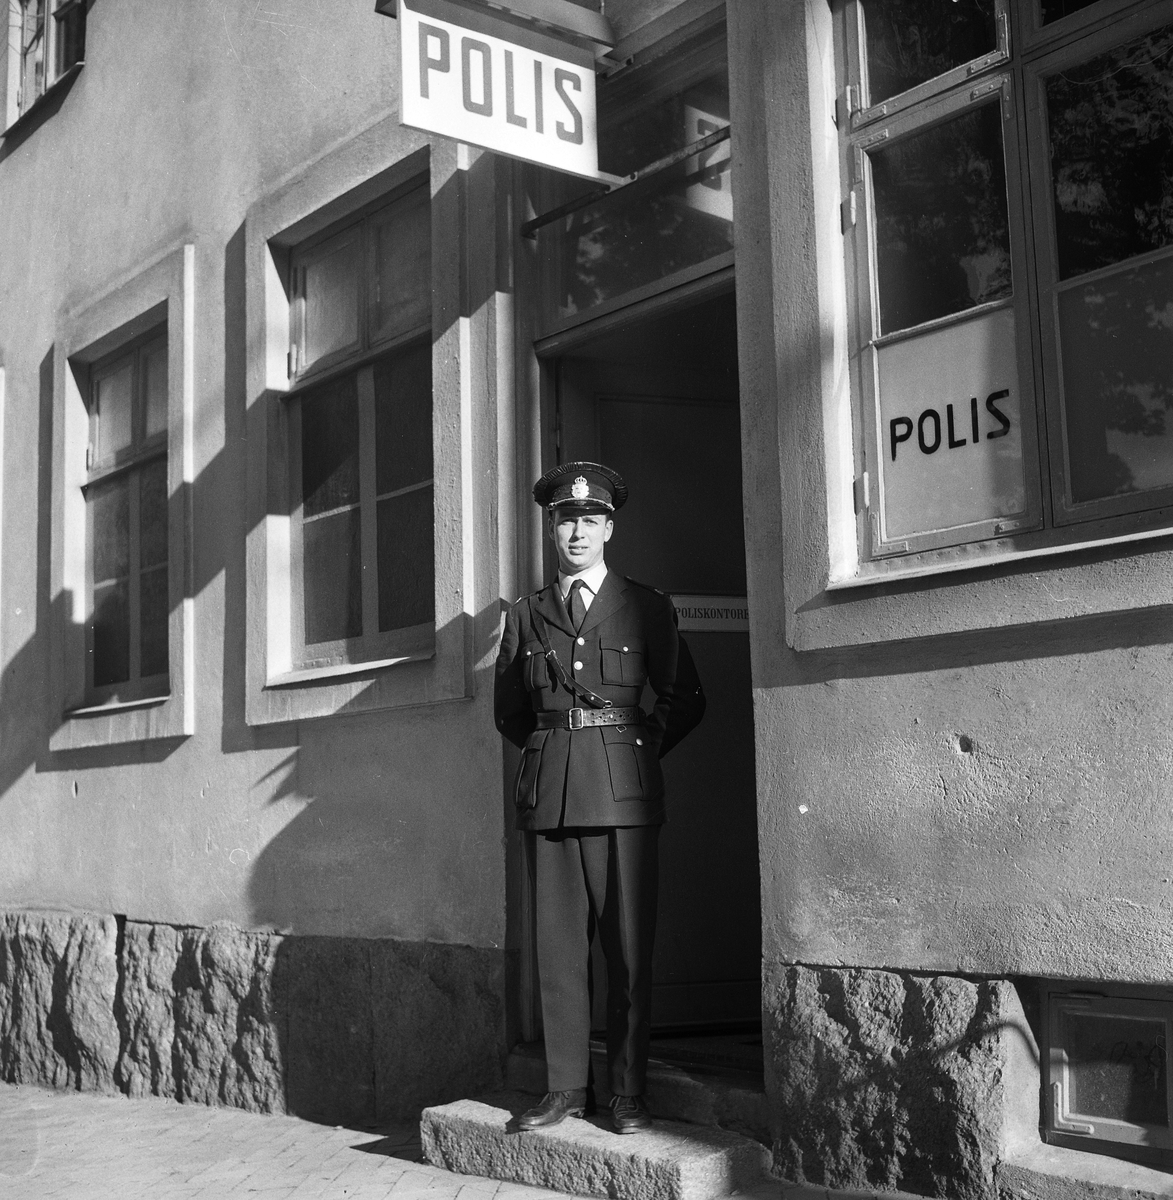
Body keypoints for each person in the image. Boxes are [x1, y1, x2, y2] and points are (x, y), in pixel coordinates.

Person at [494, 461, 704, 1135]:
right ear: (551, 529)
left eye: (589, 520)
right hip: (552, 798)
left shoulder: (646, 606)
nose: (577, 532)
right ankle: (563, 1088)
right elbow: (510, 713)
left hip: (622, 799)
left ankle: (627, 1092)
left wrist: (629, 754)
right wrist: (559, 753)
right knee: (558, 953)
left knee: (627, 949)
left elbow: (685, 698)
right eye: (565, 521)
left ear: (609, 528)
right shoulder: (526, 615)